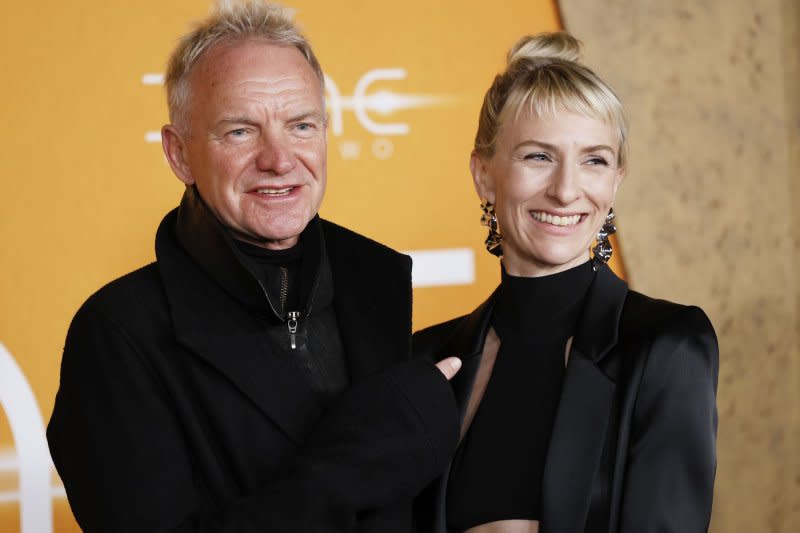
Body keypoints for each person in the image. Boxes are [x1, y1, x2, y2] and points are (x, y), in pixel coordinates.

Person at [47, 2, 462, 532]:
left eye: (301, 125)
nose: (279, 159)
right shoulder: (117, 335)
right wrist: (356, 463)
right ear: (179, 154)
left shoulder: (377, 285)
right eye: (240, 131)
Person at [413, 32, 719, 533]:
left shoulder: (666, 348)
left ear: (615, 180)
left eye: (593, 160)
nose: (565, 190)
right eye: (539, 156)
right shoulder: (426, 361)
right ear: (483, 175)